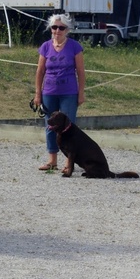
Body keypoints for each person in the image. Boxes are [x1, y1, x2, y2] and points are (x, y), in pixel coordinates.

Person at [32, 13, 86, 171]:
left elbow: (81, 72)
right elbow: (40, 71)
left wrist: (81, 92)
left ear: (67, 30)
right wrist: (38, 94)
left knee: (69, 127)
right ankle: (52, 160)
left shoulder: (75, 47)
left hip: (69, 92)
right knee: (50, 125)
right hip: (49, 91)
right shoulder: (45, 47)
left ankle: (69, 162)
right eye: (54, 27)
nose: (57, 30)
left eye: (61, 28)